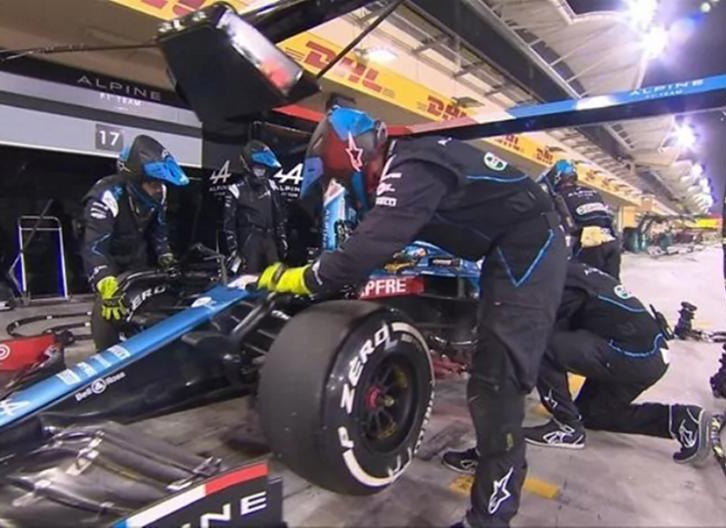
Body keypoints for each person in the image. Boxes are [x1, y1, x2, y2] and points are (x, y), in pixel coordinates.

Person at [255, 106, 568, 528]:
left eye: (345, 179)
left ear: (358, 155)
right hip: (508, 245)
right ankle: (489, 449)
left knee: (498, 381)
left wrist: (301, 278)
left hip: (531, 244)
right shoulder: (413, 165)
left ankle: (490, 518)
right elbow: (384, 239)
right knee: (487, 373)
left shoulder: (411, 166)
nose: (352, 188)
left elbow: (366, 248)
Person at [443, 262, 710, 474]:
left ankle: (566, 426)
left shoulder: (556, 282)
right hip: (647, 355)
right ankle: (682, 420)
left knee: (541, 346)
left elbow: (535, 337)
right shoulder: (564, 270)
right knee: (593, 415)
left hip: (635, 353)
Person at [81, 134, 189, 350]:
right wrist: (104, 280)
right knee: (111, 310)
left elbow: (159, 230)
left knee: (147, 303)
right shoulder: (105, 195)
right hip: (109, 257)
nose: (158, 188)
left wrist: (165, 255)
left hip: (137, 255)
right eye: (153, 183)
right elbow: (94, 247)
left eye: (161, 183)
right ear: (136, 181)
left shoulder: (160, 193)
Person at [542, 160, 622, 278]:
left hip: (589, 245)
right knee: (612, 283)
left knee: (582, 282)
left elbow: (559, 224)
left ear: (557, 178)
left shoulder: (559, 197)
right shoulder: (594, 193)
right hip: (611, 242)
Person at [223, 140, 288, 273]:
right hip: (249, 240)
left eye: (264, 168)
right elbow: (229, 225)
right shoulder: (235, 190)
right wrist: (233, 251)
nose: (261, 171)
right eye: (258, 167)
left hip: (269, 239)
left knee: (275, 276)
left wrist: (282, 239)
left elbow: (279, 216)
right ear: (248, 166)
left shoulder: (272, 187)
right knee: (249, 276)